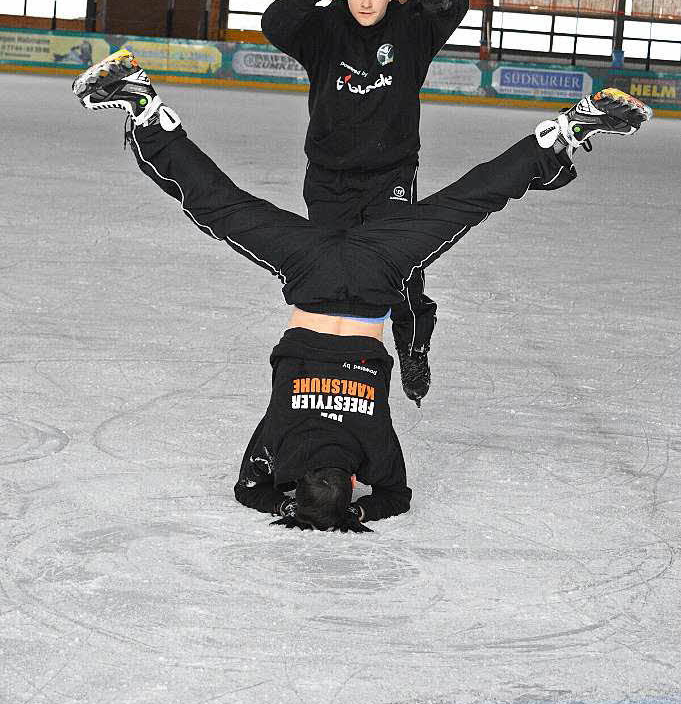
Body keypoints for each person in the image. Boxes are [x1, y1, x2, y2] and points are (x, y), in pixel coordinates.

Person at [72, 48, 652, 532]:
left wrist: (356, 509)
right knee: (222, 206)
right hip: (313, 275)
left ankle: (564, 132)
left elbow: (396, 496)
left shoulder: (371, 447)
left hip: (375, 279)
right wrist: (289, 502)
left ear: (352, 483)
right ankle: (145, 108)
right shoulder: (282, 441)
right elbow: (248, 489)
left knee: (464, 204)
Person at [261, 0, 471, 409]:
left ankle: (413, 346)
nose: (366, 4)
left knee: (400, 271)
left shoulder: (413, 30)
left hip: (390, 176)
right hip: (328, 177)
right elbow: (273, 26)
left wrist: (427, 1)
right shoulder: (322, 28)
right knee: (328, 270)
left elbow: (458, 1)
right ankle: (325, 362)